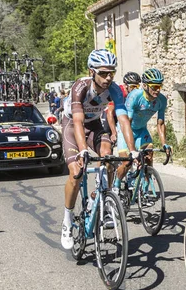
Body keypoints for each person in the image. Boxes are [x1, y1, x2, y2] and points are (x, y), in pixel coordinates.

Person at [60, 49, 140, 250]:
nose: (108, 77)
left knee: (109, 158)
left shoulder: (113, 89)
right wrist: (82, 151)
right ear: (91, 71)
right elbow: (78, 121)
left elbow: (123, 119)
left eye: (112, 72)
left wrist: (133, 150)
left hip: (95, 125)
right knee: (76, 172)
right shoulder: (80, 87)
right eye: (103, 73)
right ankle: (67, 220)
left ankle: (101, 197)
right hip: (73, 126)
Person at [113, 68, 172, 192]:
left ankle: (144, 188)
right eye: (154, 86)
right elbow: (126, 123)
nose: (157, 90)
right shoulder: (134, 96)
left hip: (141, 130)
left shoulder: (161, 100)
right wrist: (131, 149)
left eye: (159, 86)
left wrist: (164, 144)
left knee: (149, 156)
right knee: (127, 162)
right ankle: (116, 185)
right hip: (126, 130)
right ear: (144, 85)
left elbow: (160, 124)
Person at [104, 71, 141, 145]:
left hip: (120, 116)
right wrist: (114, 133)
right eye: (133, 87)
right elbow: (110, 113)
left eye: (137, 87)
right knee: (109, 143)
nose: (135, 89)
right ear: (126, 85)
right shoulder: (119, 92)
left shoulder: (134, 95)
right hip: (108, 116)